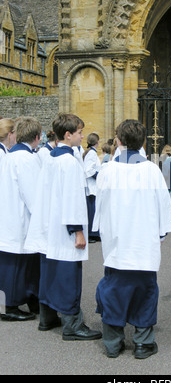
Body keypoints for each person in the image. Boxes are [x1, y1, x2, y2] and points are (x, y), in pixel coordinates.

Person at [93, 119, 171, 359]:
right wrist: (160, 233)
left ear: (118, 142)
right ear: (143, 143)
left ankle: (113, 342)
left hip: (117, 243)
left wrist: (102, 231)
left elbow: (100, 206)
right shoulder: (151, 170)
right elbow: (162, 205)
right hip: (143, 243)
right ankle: (142, 342)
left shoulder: (107, 171)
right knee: (145, 291)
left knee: (114, 290)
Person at [25, 113, 102, 341]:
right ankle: (72, 325)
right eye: (79, 133)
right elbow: (71, 198)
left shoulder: (49, 157)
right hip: (66, 228)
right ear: (68, 135)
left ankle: (47, 318)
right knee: (69, 276)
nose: (82, 136)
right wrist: (77, 230)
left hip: (51, 227)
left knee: (49, 272)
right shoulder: (68, 162)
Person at [0, 117, 42, 321]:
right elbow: (33, 194)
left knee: (18, 263)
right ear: (37, 137)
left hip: (8, 215)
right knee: (16, 265)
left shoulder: (10, 155)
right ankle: (11, 306)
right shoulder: (26, 159)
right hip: (18, 218)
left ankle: (27, 299)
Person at [83, 132, 101, 243]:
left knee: (93, 210)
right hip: (92, 187)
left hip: (93, 187)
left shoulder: (91, 153)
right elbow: (88, 169)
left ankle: (94, 232)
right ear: (97, 142)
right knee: (92, 211)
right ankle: (91, 233)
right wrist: (98, 176)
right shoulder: (92, 154)